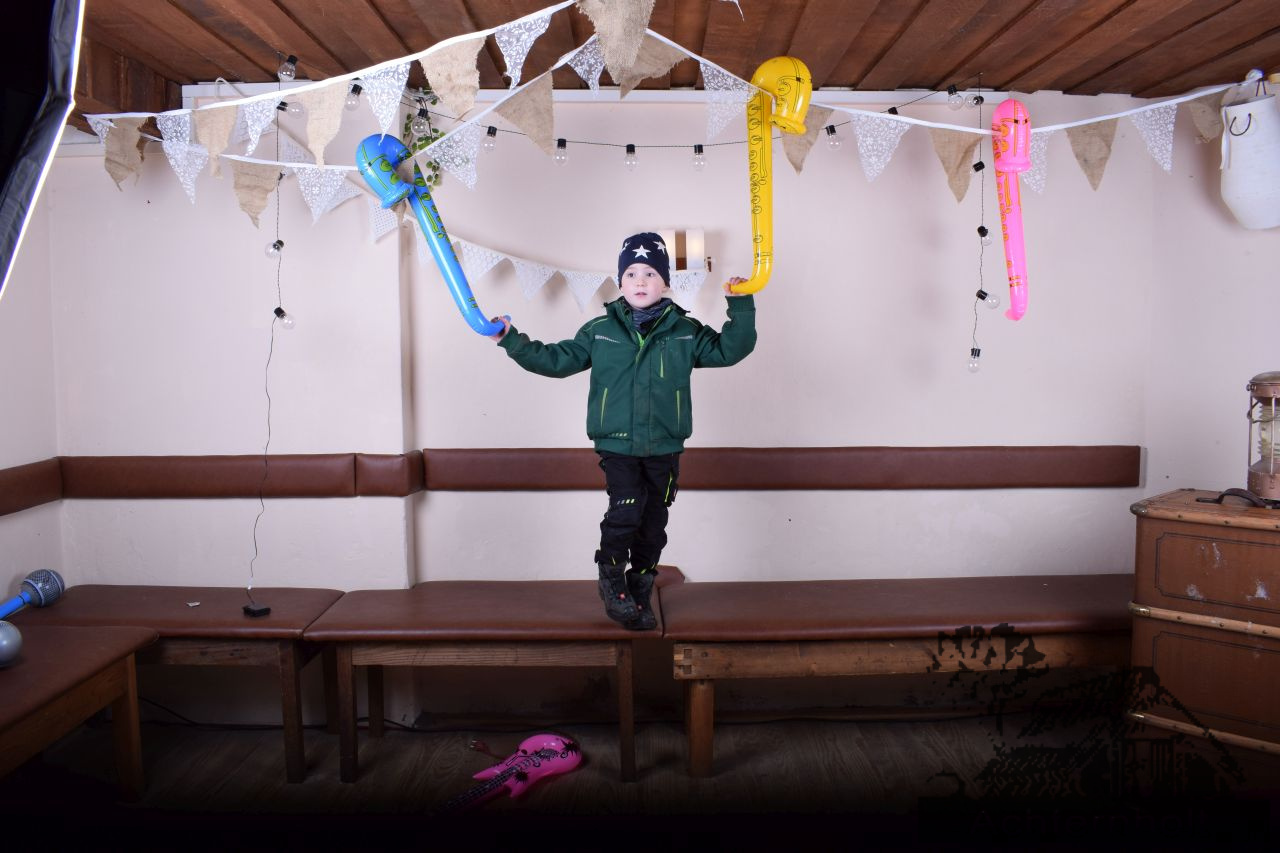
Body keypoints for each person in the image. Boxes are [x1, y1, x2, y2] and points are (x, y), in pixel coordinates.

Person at [489, 232, 756, 630]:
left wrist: (741, 304)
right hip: (618, 444)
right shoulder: (599, 330)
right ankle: (611, 580)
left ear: (665, 283)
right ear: (620, 281)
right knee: (626, 508)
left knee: (653, 521)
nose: (640, 281)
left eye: (650, 273)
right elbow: (555, 360)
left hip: (664, 443)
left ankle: (640, 587)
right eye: (631, 273)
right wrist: (511, 340)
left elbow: (731, 350)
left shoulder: (684, 331)